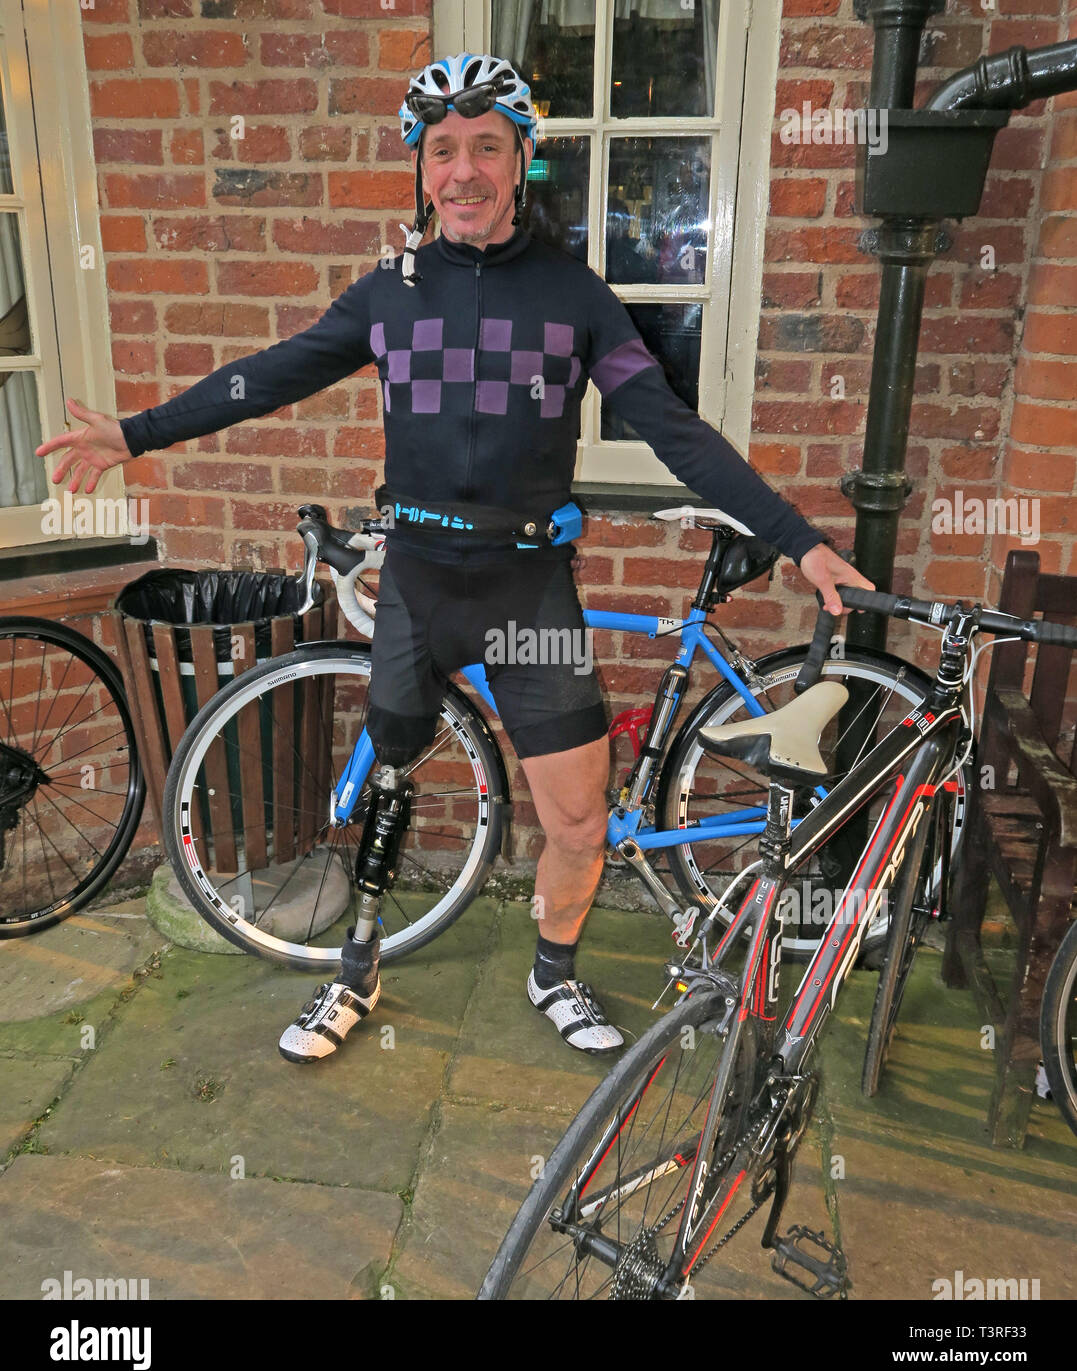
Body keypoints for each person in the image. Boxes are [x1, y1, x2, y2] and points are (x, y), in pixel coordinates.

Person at [37, 52, 872, 1066]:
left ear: (523, 159)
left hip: (527, 589)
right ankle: (358, 969)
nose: (465, 172)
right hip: (422, 586)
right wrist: (137, 432)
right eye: (444, 152)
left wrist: (803, 543)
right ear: (420, 170)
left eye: (487, 147)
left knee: (576, 819)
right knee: (387, 783)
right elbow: (268, 376)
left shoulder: (574, 296)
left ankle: (553, 969)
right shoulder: (390, 295)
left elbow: (673, 432)